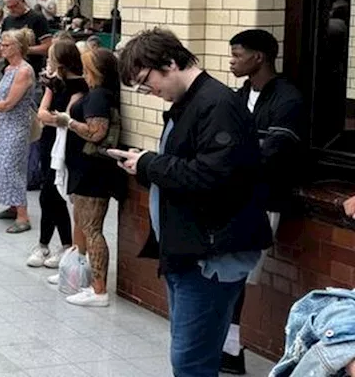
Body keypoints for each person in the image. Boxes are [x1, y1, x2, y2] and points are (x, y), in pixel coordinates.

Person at [115, 28, 273, 377]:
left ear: (169, 63)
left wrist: (148, 164)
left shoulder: (216, 104)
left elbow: (212, 176)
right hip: (189, 251)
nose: (149, 92)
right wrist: (143, 164)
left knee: (192, 361)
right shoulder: (191, 102)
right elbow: (188, 168)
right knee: (190, 354)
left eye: (146, 81)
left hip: (210, 256)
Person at [222, 29, 304, 373]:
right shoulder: (239, 97)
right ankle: (228, 350)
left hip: (263, 199)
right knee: (228, 276)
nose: (231, 62)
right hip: (233, 196)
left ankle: (229, 350)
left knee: (238, 276)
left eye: (237, 55)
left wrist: (235, 153)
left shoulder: (287, 98)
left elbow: (276, 149)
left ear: (259, 57)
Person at [57, 47, 126, 306]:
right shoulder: (99, 93)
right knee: (87, 226)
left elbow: (96, 132)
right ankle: (91, 283)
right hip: (86, 167)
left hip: (92, 170)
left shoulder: (98, 96)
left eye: (87, 68)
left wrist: (68, 121)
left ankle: (99, 290)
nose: (84, 73)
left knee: (92, 229)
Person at [26, 40, 85, 268]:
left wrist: (55, 118)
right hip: (47, 142)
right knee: (48, 194)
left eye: (51, 57)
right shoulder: (53, 83)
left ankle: (62, 244)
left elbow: (66, 118)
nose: (47, 61)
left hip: (65, 145)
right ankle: (46, 245)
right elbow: (43, 113)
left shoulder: (80, 86)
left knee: (51, 194)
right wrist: (54, 118)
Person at [0, 29, 39, 233]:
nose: (1, 47)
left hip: (16, 125)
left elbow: (9, 103)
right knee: (1, 164)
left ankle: (23, 216)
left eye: (6, 45)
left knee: (11, 167)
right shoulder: (8, 69)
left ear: (18, 48)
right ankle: (12, 206)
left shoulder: (24, 71)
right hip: (4, 124)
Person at [1, 0, 53, 74]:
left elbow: (47, 46)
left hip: (31, 69)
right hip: (10, 69)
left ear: (22, 1)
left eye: (14, 6)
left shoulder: (37, 18)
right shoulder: (7, 20)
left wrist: (24, 49)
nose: (11, 10)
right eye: (8, 7)